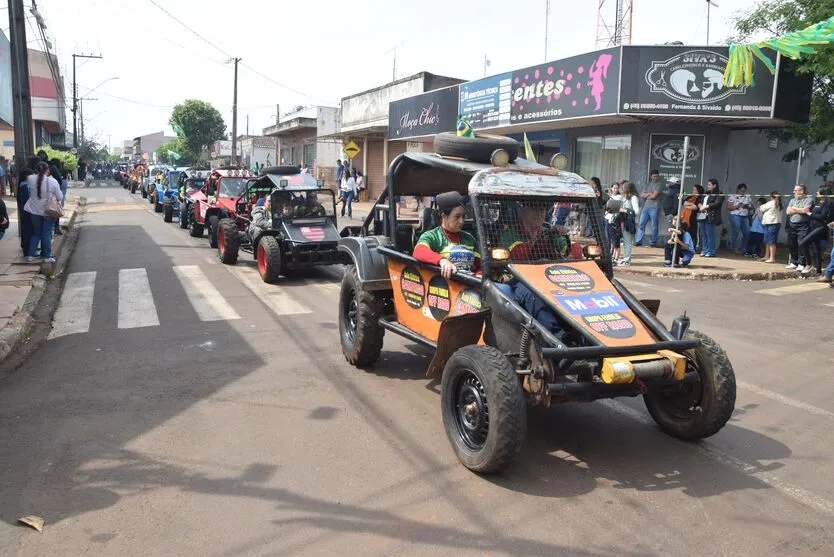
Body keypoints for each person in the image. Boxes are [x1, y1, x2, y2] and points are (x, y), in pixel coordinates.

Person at [413, 191, 480, 278]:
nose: (462, 221)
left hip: (471, 287)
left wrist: (479, 274)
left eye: (463, 216)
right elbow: (418, 251)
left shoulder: (469, 238)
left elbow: (479, 265)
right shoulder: (433, 236)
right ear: (444, 216)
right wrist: (442, 260)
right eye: (457, 216)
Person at [23, 161, 63, 263]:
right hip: (48, 211)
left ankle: (30, 255)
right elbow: (60, 197)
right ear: (47, 170)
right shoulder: (53, 181)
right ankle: (46, 256)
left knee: (36, 233)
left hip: (34, 211)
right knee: (46, 233)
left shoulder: (31, 179)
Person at [802, 185, 832, 275]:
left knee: (803, 243)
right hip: (813, 227)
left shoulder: (827, 205)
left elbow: (822, 217)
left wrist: (809, 213)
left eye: (818, 192)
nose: (816, 193)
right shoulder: (817, 203)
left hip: (821, 228)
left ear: (823, 194)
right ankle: (818, 271)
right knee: (816, 249)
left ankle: (809, 264)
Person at [785, 184, 813, 272]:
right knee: (791, 243)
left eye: (795, 190)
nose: (794, 192)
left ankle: (801, 263)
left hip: (803, 225)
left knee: (801, 243)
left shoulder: (809, 199)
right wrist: (800, 210)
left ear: (801, 191)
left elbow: (806, 210)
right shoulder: (792, 200)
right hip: (792, 224)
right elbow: (788, 211)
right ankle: (794, 262)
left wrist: (794, 209)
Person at [635, 169, 662, 247]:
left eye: (657, 176)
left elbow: (654, 196)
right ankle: (639, 241)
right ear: (651, 176)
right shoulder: (648, 184)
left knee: (654, 226)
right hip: (646, 207)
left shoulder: (659, 184)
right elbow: (641, 195)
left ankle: (653, 243)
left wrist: (647, 195)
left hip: (655, 207)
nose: (655, 178)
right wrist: (650, 194)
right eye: (654, 176)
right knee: (641, 224)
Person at [698, 179, 724, 257]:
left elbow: (717, 203)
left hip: (711, 216)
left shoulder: (720, 194)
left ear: (714, 185)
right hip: (702, 215)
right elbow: (699, 201)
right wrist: (700, 206)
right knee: (703, 234)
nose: (708, 186)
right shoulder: (706, 193)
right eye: (708, 184)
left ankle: (711, 251)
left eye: (709, 185)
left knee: (710, 234)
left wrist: (706, 206)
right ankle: (704, 249)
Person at [727, 183, 753, 255]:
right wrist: (737, 206)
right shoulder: (732, 197)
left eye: (744, 191)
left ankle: (743, 249)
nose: (742, 192)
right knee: (736, 232)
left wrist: (747, 206)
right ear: (737, 190)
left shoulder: (747, 197)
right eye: (741, 191)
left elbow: (751, 207)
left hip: (745, 216)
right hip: (735, 215)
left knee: (747, 233)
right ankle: (734, 248)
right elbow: (729, 207)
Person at [618, 182, 640, 266]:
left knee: (628, 241)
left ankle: (626, 260)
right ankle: (625, 258)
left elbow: (637, 211)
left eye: (623, 188)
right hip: (624, 220)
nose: (622, 189)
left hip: (628, 222)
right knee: (625, 241)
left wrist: (624, 210)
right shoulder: (626, 198)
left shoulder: (633, 198)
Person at [759, 191, 783, 263]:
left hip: (772, 224)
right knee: (768, 241)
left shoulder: (771, 203)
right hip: (772, 223)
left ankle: (772, 257)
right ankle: (767, 256)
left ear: (771, 197)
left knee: (771, 241)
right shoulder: (779, 203)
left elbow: (761, 208)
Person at [681, 184, 703, 251]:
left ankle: (694, 247)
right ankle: (686, 246)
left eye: (695, 190)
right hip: (686, 219)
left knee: (694, 233)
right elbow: (684, 203)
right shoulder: (690, 197)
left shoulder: (700, 198)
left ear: (698, 191)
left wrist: (689, 206)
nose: (693, 191)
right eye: (693, 189)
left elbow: (695, 207)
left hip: (694, 218)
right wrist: (691, 204)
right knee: (686, 233)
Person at [604, 183, 623, 260]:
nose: (615, 189)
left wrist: (610, 196)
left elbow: (615, 205)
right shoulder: (609, 197)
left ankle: (613, 253)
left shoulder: (619, 197)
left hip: (614, 219)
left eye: (617, 188)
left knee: (614, 237)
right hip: (607, 217)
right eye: (614, 188)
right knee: (607, 235)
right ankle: (608, 251)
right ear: (611, 188)